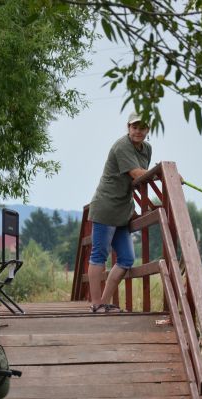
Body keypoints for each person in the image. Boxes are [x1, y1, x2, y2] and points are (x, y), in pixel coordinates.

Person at [87, 112, 152, 313]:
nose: (138, 131)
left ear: (148, 130)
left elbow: (139, 181)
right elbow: (137, 174)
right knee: (99, 255)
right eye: (134, 127)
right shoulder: (122, 146)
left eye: (142, 127)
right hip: (106, 206)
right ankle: (96, 304)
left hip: (123, 210)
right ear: (128, 127)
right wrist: (164, 172)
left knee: (126, 258)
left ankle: (105, 303)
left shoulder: (147, 149)